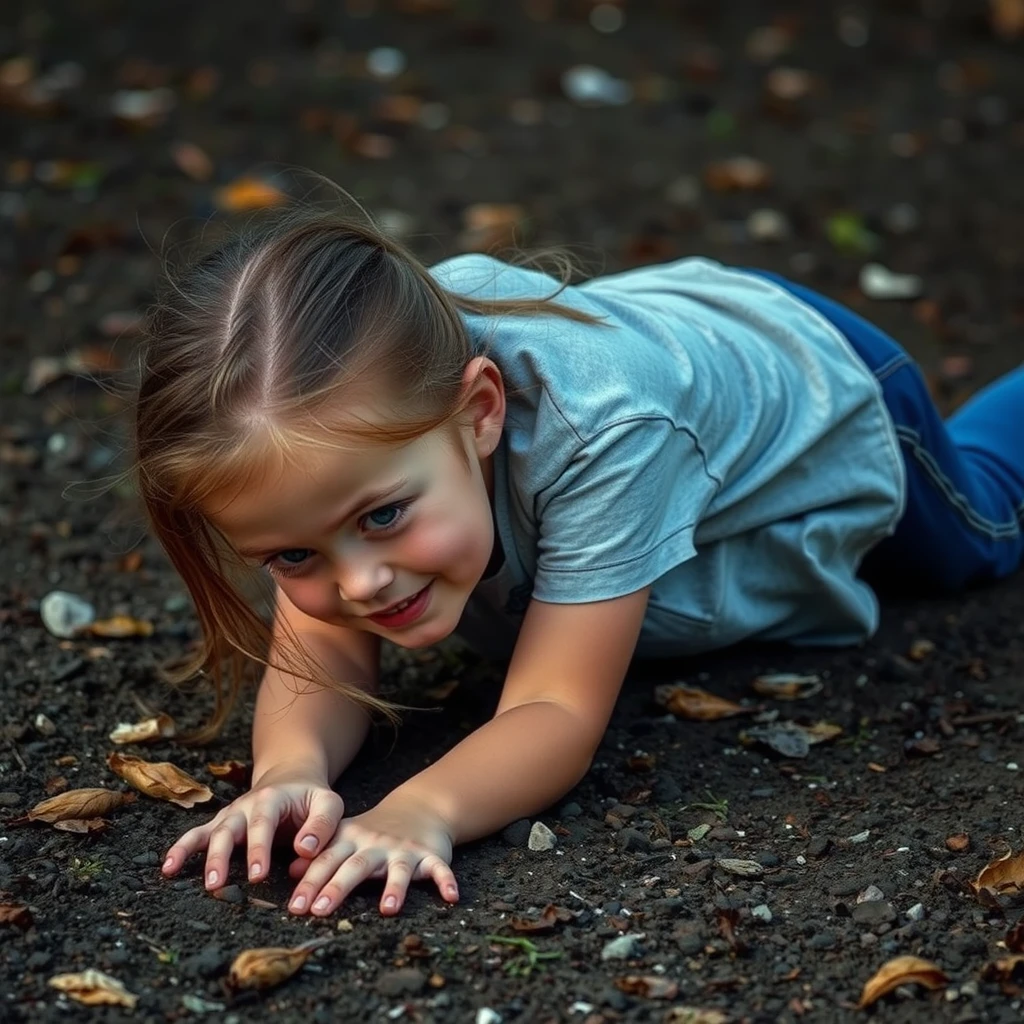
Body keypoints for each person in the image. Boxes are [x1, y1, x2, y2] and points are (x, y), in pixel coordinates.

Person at [136, 205, 1024, 919]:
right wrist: (290, 773)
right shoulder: (353, 425)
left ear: (479, 411)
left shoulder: (604, 435)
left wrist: (420, 809)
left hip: (821, 374)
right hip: (664, 350)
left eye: (384, 516)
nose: (360, 581)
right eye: (293, 553)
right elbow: (320, 646)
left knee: (979, 532)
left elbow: (554, 708)